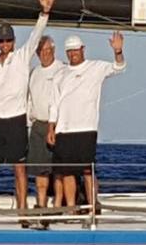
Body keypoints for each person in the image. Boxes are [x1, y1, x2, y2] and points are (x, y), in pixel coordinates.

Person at [0, 0, 58, 214]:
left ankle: (22, 211)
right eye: (1, 41)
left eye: (8, 40)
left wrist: (44, 13)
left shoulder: (22, 56)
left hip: (16, 121)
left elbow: (35, 36)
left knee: (20, 170)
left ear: (13, 41)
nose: (5, 45)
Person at [47, 32, 126, 208]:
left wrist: (118, 51)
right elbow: (54, 104)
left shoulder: (96, 67)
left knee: (87, 170)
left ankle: (92, 206)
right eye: (69, 51)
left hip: (86, 128)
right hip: (63, 129)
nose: (73, 53)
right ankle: (70, 209)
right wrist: (51, 128)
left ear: (83, 49)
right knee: (67, 172)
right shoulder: (60, 74)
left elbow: (119, 67)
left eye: (76, 50)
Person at [26, 35, 65, 208]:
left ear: (54, 51)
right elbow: (30, 100)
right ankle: (41, 204)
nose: (45, 54)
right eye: (41, 51)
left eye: (48, 50)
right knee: (39, 171)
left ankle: (57, 204)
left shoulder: (62, 69)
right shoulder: (34, 72)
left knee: (57, 170)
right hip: (38, 125)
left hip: (58, 125)